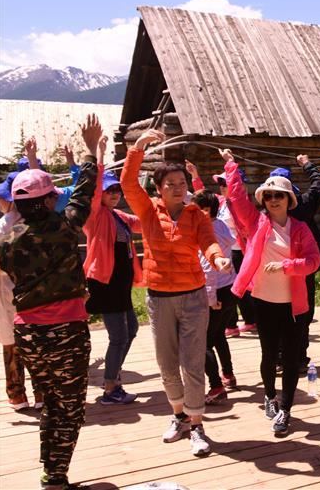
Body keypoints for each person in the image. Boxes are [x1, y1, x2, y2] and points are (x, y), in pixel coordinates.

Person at [0, 114, 102, 490]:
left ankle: (51, 470)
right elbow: (85, 190)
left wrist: (32, 167)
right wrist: (91, 151)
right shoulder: (66, 226)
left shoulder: (8, 243)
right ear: (49, 200)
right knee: (70, 408)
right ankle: (55, 476)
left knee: (51, 405)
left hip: (27, 335)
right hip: (66, 333)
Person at [121, 129, 231, 457]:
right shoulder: (147, 210)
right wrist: (138, 148)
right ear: (158, 188)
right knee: (167, 364)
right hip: (159, 298)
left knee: (192, 362)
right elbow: (128, 184)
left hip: (194, 296)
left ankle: (197, 425)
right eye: (171, 184)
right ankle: (179, 416)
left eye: (182, 184)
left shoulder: (197, 214)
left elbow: (208, 241)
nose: (179, 189)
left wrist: (218, 257)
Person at [224, 150, 320, 436]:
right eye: (268, 196)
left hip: (294, 304)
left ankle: (286, 409)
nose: (274, 199)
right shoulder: (256, 224)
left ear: (290, 200)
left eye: (279, 195)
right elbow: (238, 198)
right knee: (269, 356)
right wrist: (231, 165)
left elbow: (313, 261)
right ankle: (269, 395)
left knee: (291, 360)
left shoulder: (301, 229)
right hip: (264, 301)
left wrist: (287, 265)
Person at [83, 148, 144, 406]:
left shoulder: (119, 216)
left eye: (117, 190)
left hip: (120, 287)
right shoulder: (95, 215)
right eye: (110, 191)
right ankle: (110, 388)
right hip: (106, 286)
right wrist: (98, 158)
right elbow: (94, 191)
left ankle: (113, 373)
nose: (115, 194)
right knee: (119, 336)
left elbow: (144, 222)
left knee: (131, 330)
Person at [186, 160, 255, 338]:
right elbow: (201, 199)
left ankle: (249, 319)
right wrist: (195, 176)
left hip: (241, 249)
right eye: (221, 184)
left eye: (226, 183)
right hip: (227, 250)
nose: (222, 187)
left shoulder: (240, 205)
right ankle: (231, 323)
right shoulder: (222, 202)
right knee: (230, 284)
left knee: (241, 287)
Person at [277, 154, 320, 365]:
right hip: (304, 267)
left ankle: (282, 358)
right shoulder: (304, 205)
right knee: (303, 312)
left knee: (281, 312)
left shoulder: (268, 213)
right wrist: (307, 164)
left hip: (280, 268)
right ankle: (299, 357)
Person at [0, 171, 43, 411]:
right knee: (36, 343)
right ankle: (41, 393)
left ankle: (17, 395)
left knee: (11, 344)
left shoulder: (2, 226)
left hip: (7, 292)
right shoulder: (41, 223)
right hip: (33, 292)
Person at [191, 190, 238, 405]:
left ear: (205, 210)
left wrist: (210, 299)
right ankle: (228, 375)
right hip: (229, 288)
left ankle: (216, 386)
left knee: (203, 343)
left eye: (194, 208)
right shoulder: (220, 225)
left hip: (215, 293)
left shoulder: (207, 229)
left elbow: (207, 268)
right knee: (219, 335)